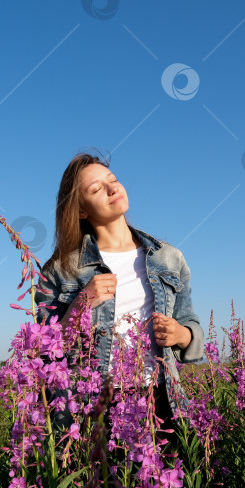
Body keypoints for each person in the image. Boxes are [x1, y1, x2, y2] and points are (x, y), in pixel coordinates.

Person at [35, 152, 204, 438]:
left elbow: (190, 325)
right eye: (96, 189)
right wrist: (80, 305)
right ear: (80, 211)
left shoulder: (169, 258)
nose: (113, 188)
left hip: (160, 398)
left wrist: (181, 334)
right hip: (91, 405)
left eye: (112, 180)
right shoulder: (60, 269)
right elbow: (43, 351)